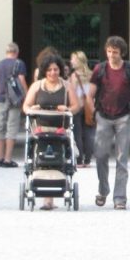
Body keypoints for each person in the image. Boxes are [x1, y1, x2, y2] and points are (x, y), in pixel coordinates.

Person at [86, 35, 130, 210]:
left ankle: (120, 198)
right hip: (103, 116)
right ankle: (103, 190)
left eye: (115, 52)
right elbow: (89, 95)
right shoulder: (100, 69)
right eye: (109, 51)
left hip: (123, 118)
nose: (111, 55)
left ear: (122, 53)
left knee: (122, 158)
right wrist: (95, 114)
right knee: (100, 155)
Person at [22, 53, 81, 210]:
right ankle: (47, 199)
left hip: (60, 129)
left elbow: (76, 106)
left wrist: (67, 109)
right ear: (44, 71)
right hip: (40, 129)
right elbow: (26, 106)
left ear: (60, 70)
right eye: (49, 70)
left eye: (55, 69)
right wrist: (32, 108)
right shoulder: (37, 86)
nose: (53, 73)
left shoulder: (67, 86)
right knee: (41, 159)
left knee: (58, 158)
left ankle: (52, 197)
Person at [0, 42, 29, 168]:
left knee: (0, 127)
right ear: (17, 52)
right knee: (12, 127)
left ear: (6, 52)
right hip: (15, 100)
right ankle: (8, 159)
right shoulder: (19, 63)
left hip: (1, 99)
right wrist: (27, 96)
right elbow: (22, 80)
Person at [69, 51, 96, 167]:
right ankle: (88, 159)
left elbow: (73, 92)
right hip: (89, 106)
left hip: (78, 106)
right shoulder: (92, 75)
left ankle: (79, 159)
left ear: (79, 61)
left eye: (73, 59)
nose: (71, 61)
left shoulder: (74, 76)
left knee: (77, 134)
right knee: (89, 134)